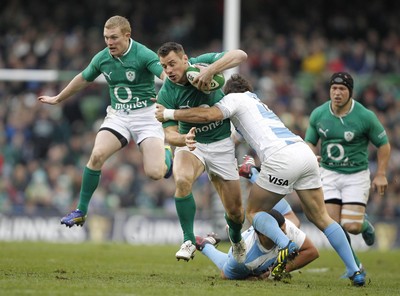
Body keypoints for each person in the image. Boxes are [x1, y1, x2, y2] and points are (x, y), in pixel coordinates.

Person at [155, 74, 366, 286]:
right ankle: (354, 269)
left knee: (253, 212)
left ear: (228, 93)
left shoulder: (233, 99)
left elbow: (209, 115)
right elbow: (236, 136)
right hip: (303, 152)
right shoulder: (257, 101)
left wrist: (169, 113)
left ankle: (286, 244)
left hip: (281, 159)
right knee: (321, 217)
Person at [37, 15, 173, 227]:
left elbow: (165, 76)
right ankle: (81, 210)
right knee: (97, 154)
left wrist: (166, 96)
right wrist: (58, 98)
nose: (109, 42)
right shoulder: (102, 58)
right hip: (118, 115)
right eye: (106, 37)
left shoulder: (143, 54)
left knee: (155, 173)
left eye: (114, 37)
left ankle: (167, 154)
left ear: (127, 36)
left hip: (146, 116)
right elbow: (83, 78)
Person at [155, 41, 248, 262]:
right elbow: (169, 135)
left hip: (221, 144)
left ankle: (236, 240)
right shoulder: (166, 93)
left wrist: (210, 71)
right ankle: (188, 240)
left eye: (172, 64)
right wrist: (183, 138)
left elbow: (240, 55)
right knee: (182, 180)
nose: (168, 70)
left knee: (236, 212)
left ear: (185, 59)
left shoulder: (201, 63)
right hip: (192, 146)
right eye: (164, 66)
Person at [304, 72, 391, 270]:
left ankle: (365, 225)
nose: (337, 93)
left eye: (342, 89)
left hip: (356, 174)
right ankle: (355, 266)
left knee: (351, 226)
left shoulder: (365, 116)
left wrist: (381, 174)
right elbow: (309, 141)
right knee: (334, 226)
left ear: (350, 92)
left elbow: (384, 145)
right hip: (329, 173)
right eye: (334, 88)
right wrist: (312, 154)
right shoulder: (319, 114)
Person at [195, 209, 319, 280]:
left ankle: (204, 244)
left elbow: (312, 252)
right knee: (233, 269)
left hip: (256, 259)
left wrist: (281, 270)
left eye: (284, 228)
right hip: (241, 257)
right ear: (263, 234)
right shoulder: (245, 256)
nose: (285, 233)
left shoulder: (286, 227)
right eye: (279, 231)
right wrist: (257, 278)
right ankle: (205, 246)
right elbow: (225, 275)